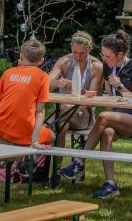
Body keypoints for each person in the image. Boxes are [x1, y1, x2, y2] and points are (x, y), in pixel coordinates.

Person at [83, 29, 132, 198]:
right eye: (102, 55)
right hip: (115, 117)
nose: (104, 59)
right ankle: (111, 184)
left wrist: (119, 86)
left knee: (103, 117)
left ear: (120, 54)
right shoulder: (107, 66)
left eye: (107, 56)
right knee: (106, 132)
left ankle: (79, 161)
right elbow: (109, 97)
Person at [49, 30, 103, 180]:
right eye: (75, 53)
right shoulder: (64, 61)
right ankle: (56, 172)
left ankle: (42, 166)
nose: (78, 57)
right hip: (62, 116)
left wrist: (75, 88)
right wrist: (57, 83)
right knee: (61, 125)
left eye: (82, 54)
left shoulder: (96, 66)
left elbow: (94, 96)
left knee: (55, 121)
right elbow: (46, 84)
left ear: (90, 49)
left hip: (82, 114)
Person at [0, 39, 55, 150]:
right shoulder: (43, 77)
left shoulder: (8, 72)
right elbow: (40, 111)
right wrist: (34, 141)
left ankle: (15, 160)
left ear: (20, 56)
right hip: (23, 130)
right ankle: (31, 164)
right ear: (42, 61)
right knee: (52, 136)